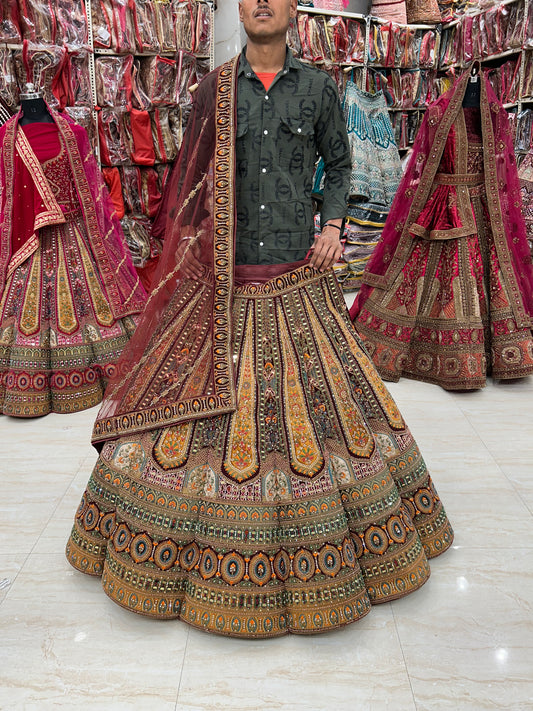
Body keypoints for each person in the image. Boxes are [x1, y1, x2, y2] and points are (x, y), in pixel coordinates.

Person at [66, 0, 453, 638]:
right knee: (189, 413)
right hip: (222, 284)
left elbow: (342, 165)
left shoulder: (321, 87)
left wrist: (334, 224)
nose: (263, 3)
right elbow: (188, 183)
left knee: (324, 418)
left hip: (296, 276)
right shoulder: (212, 91)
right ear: (242, 8)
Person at [350, 66, 533, 391]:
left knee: (484, 278)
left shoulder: (495, 116)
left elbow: (503, 167)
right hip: (447, 207)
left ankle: (493, 354)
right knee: (445, 278)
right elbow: (422, 166)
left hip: (484, 210)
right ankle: (450, 354)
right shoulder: (437, 114)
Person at [0, 84, 146, 417]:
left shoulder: (75, 133)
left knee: (88, 305)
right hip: (29, 241)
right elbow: (8, 199)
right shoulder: (5, 139)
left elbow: (92, 191)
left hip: (76, 235)